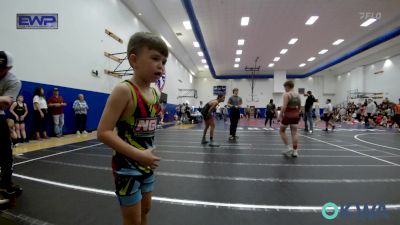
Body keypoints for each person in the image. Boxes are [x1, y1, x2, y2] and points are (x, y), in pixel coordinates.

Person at [97, 32, 166, 225]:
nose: (161, 65)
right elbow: (103, 132)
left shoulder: (154, 92)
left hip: (147, 165)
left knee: (146, 210)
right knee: (132, 221)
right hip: (127, 168)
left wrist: (145, 156)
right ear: (134, 60)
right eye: (155, 58)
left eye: (164, 61)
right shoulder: (124, 90)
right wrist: (139, 155)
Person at [0, 51, 23, 202]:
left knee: (6, 153)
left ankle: (5, 184)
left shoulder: (13, 81)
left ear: (9, 68)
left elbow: (6, 103)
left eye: (2, 68)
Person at [278, 80, 301, 158]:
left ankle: (288, 147)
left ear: (288, 86)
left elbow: (284, 106)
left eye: (285, 87)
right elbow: (300, 106)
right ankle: (295, 151)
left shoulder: (287, 94)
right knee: (294, 133)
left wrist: (280, 115)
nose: (285, 89)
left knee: (281, 131)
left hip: (288, 115)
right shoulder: (297, 95)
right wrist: (297, 112)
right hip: (296, 115)